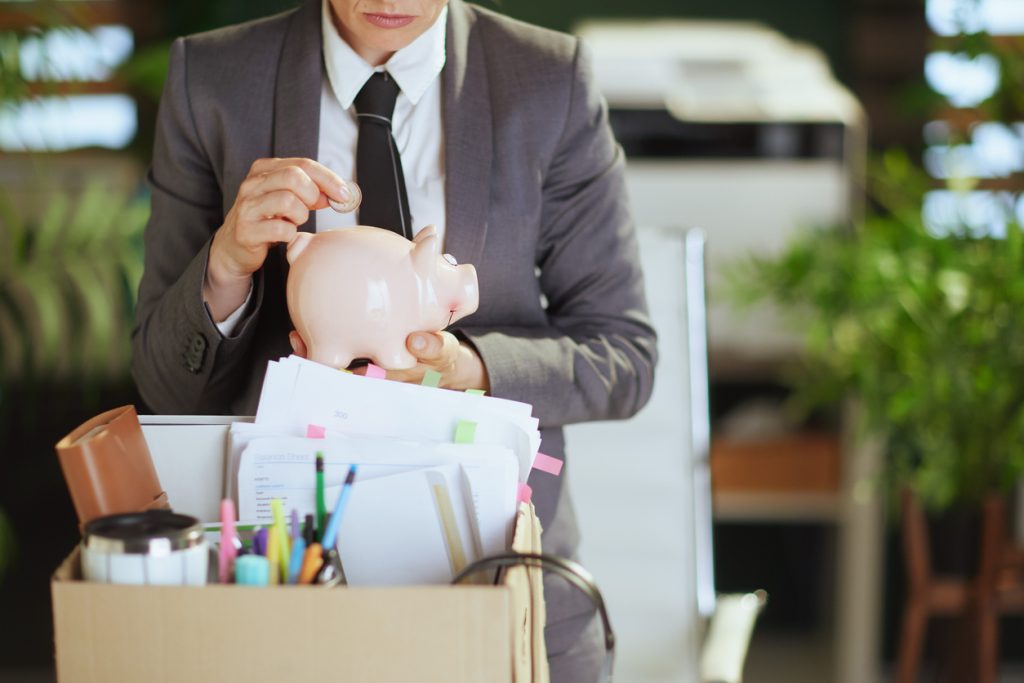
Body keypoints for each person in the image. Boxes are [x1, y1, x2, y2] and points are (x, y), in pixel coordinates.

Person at [131, 0, 657, 680]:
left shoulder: (547, 82)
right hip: (282, 596)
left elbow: (626, 355)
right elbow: (162, 382)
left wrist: (469, 369)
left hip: (507, 596)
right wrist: (227, 264)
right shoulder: (212, 79)